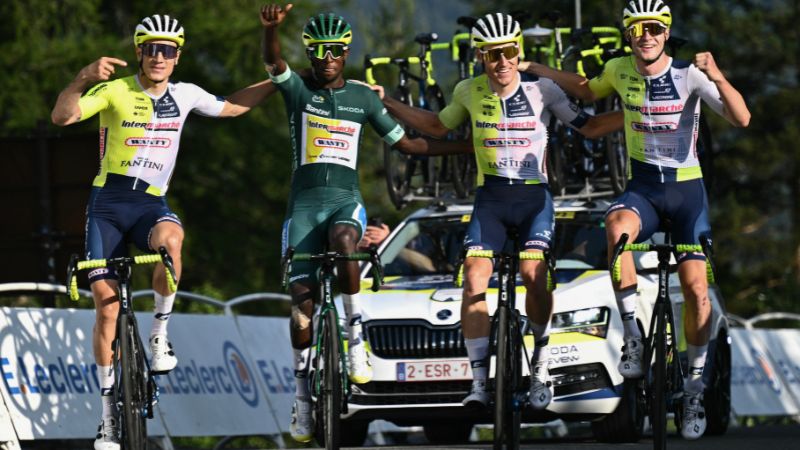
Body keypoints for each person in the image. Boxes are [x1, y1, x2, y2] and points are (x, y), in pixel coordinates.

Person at [521, 0, 750, 440]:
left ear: (665, 33)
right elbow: (586, 91)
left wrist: (718, 74)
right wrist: (537, 66)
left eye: (654, 28)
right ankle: (632, 335)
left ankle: (696, 389)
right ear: (628, 35)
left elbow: (741, 117)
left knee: (698, 290)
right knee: (615, 229)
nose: (646, 35)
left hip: (687, 193)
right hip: (642, 189)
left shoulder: (689, 75)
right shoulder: (619, 69)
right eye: (637, 29)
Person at [373, 12, 623, 411]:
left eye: (508, 52)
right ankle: (478, 383)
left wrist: (634, 113)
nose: (502, 61)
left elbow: (589, 127)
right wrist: (387, 102)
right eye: (492, 55)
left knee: (532, 274)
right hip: (490, 199)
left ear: (519, 51)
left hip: (533, 199)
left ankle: (540, 364)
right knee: (473, 279)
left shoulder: (544, 91)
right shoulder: (468, 91)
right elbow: (437, 127)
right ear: (480, 58)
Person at [51, 14, 276, 450]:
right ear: (139, 52)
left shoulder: (186, 94)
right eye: (151, 48)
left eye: (167, 49)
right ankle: (107, 419)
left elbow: (232, 106)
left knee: (172, 243)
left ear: (177, 57)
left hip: (150, 204)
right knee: (107, 308)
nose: (158, 56)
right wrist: (81, 77)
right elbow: (62, 117)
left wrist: (278, 79)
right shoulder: (116, 90)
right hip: (108, 206)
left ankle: (159, 334)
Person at [259, 3, 468, 443]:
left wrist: (466, 149)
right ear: (312, 53)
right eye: (320, 49)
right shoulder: (298, 91)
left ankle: (355, 336)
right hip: (302, 210)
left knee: (345, 242)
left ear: (347, 51)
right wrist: (272, 30)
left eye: (336, 49)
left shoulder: (362, 98)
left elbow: (409, 144)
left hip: (344, 203)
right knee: (301, 308)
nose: (328, 56)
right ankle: (301, 398)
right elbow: (274, 64)